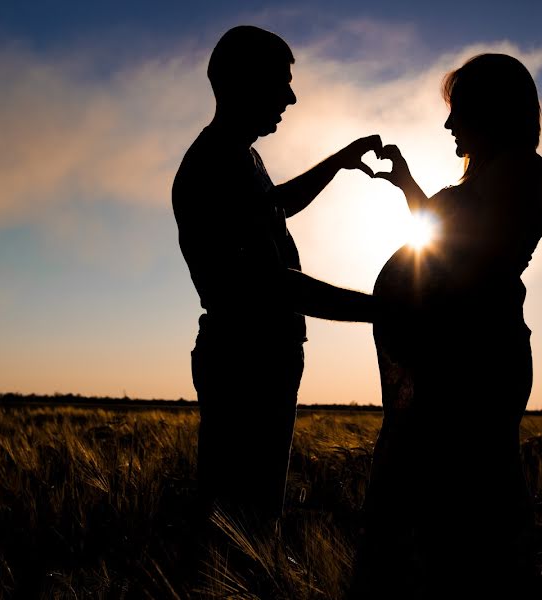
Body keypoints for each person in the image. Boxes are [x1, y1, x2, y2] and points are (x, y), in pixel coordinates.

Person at [351, 53, 542, 598]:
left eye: (457, 110)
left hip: (477, 363)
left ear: (490, 111)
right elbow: (445, 244)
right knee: (436, 511)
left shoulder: (520, 170)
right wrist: (409, 187)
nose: (447, 125)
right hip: (451, 359)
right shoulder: (491, 175)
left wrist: (407, 305)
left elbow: (474, 264)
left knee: (465, 510)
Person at [172, 25, 383, 529]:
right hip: (247, 357)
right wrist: (381, 309)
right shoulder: (213, 164)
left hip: (260, 353)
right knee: (241, 518)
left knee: (249, 512)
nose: (290, 96)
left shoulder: (239, 156)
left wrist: (338, 161)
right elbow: (273, 283)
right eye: (280, 82)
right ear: (243, 82)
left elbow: (275, 207)